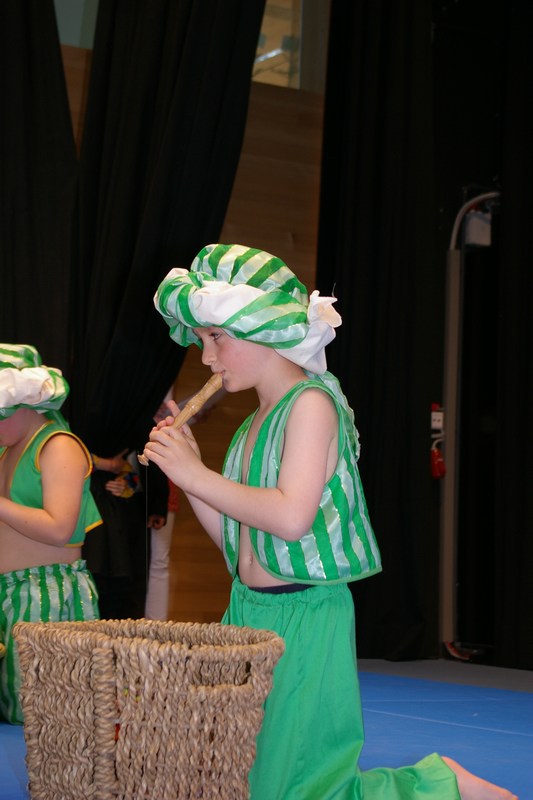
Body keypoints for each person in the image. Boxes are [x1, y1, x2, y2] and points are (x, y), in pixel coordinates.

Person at [141, 244, 518, 800]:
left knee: (307, 788)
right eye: (201, 340)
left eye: (216, 337)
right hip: (250, 610)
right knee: (253, 779)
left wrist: (196, 475)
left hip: (305, 617)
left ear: (266, 328)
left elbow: (291, 518)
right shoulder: (253, 424)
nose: (207, 358)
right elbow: (239, 544)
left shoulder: (310, 405)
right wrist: (190, 477)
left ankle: (444, 785)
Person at [0, 344, 101, 724]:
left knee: (44, 713)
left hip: (47, 595)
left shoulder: (58, 446)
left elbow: (60, 528)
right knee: (14, 705)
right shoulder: (7, 447)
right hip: (10, 593)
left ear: (23, 403)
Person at [84, 445, 168, 619]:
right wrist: (106, 464)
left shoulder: (133, 438)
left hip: (128, 514)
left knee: (128, 583)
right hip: (90, 504)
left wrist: (129, 483)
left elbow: (141, 468)